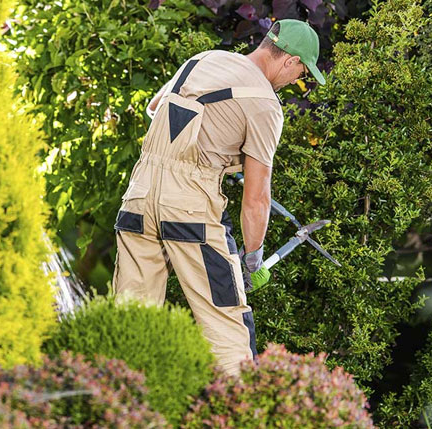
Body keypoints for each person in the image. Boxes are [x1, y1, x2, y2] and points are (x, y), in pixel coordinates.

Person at [112, 19, 326, 375]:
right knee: (226, 324)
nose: (297, 80)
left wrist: (212, 147)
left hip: (138, 196)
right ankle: (238, 411)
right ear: (288, 60)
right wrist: (253, 259)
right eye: (302, 71)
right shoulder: (265, 105)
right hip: (191, 209)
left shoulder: (203, 59)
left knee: (132, 316)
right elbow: (256, 198)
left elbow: (156, 108)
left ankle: (119, 404)